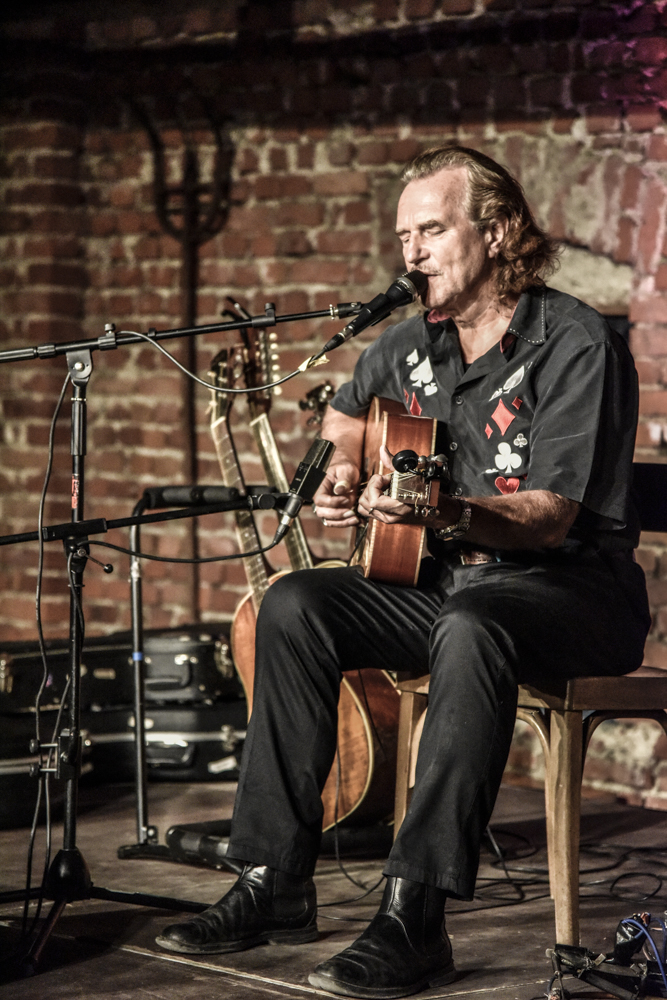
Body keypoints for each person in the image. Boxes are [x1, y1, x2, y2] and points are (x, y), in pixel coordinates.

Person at [155, 145, 651, 999]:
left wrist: (445, 512)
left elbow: (549, 516)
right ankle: (273, 880)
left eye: (430, 230)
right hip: (448, 588)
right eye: (402, 236)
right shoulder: (408, 343)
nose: (411, 253)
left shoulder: (573, 341)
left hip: (570, 592)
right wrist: (342, 475)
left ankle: (413, 917)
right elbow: (346, 422)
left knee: (471, 623)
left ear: (497, 232)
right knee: (294, 603)